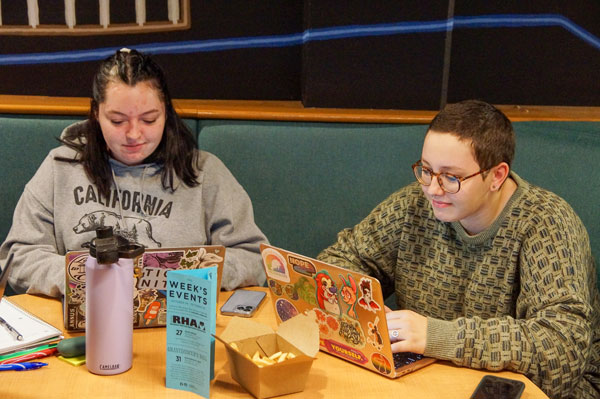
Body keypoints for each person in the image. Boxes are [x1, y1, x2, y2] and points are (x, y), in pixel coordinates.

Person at [318, 100, 600, 398]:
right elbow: (342, 259)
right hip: (431, 380)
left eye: (451, 177)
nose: (432, 188)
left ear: (497, 176)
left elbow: (561, 350)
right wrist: (366, 307)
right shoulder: (415, 204)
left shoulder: (547, 222)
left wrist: (435, 336)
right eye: (426, 170)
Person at [0, 48, 268, 297]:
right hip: (88, 320)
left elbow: (253, 257)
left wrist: (189, 275)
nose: (134, 134)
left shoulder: (204, 173)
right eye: (117, 121)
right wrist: (85, 278)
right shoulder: (60, 167)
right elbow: (19, 256)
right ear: (96, 114)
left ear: (166, 113)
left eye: (149, 119)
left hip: (177, 324)